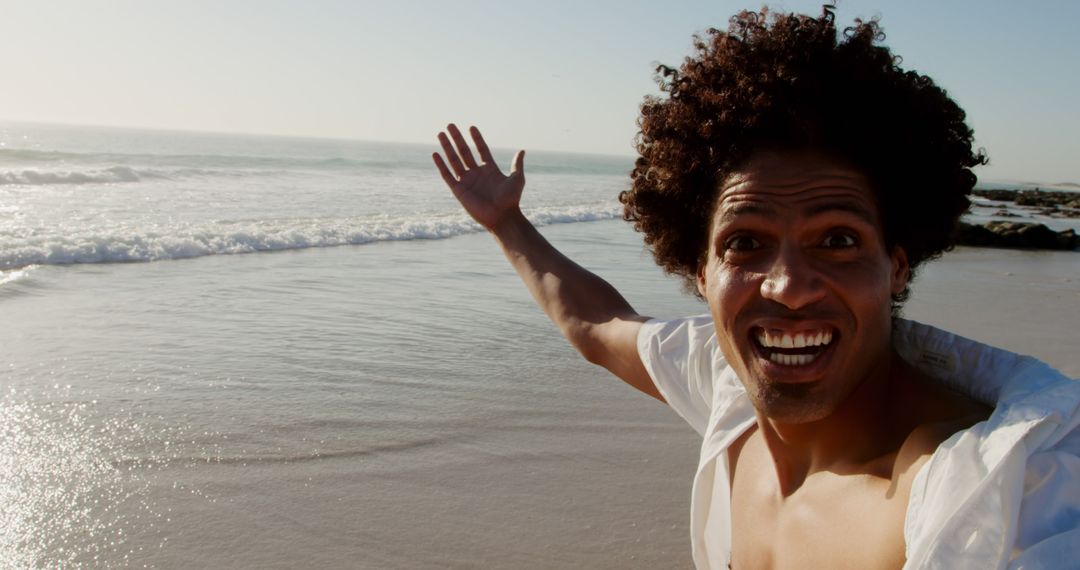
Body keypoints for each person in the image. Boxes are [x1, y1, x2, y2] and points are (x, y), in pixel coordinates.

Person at [432, 6, 1080, 569]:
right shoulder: (727, 385)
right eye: (745, 242)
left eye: (838, 239)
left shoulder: (983, 491)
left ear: (899, 265)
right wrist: (507, 223)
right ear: (701, 272)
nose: (791, 287)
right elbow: (595, 327)